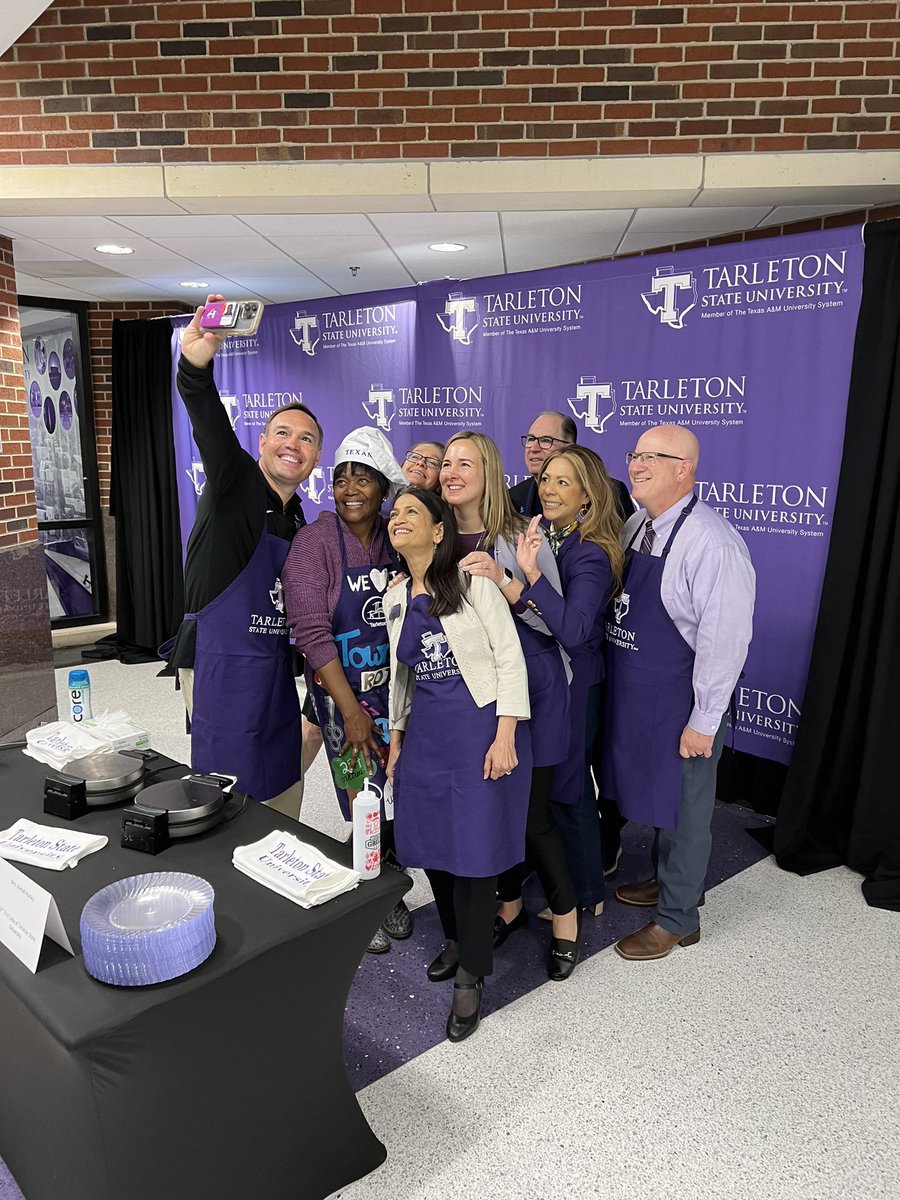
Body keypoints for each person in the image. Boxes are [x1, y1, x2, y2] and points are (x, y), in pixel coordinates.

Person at [163, 293, 321, 817]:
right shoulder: (232, 478)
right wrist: (197, 358)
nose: (292, 444)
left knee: (278, 781)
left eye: (307, 439)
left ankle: (278, 867)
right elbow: (202, 408)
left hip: (273, 667)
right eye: (282, 433)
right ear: (261, 441)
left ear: (316, 456)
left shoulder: (301, 518)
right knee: (224, 791)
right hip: (217, 661)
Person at [603, 425, 755, 961]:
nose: (637, 465)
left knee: (686, 805)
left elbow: (725, 640)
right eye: (635, 455)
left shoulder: (711, 542)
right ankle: (670, 880)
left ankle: (678, 917)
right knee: (657, 793)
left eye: (652, 457)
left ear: (684, 469)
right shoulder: (637, 525)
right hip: (638, 694)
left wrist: (705, 720)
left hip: (683, 700)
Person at [385, 487, 531, 1042]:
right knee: (435, 846)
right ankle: (452, 939)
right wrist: (397, 737)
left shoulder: (474, 586)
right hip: (425, 736)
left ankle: (471, 973)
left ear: (439, 530)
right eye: (394, 514)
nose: (398, 520)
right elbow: (403, 676)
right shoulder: (396, 596)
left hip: (478, 729)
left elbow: (509, 658)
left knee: (473, 852)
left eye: (412, 513)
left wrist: (506, 734)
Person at [440, 430, 581, 981]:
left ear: (490, 472)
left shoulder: (522, 536)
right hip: (472, 695)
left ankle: (565, 917)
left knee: (531, 814)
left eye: (465, 464)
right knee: (488, 806)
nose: (452, 472)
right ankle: (510, 905)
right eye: (447, 463)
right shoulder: (436, 535)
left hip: (535, 687)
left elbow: (559, 622)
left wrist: (506, 583)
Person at [282, 428, 412, 955]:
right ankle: (365, 900)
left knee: (398, 794)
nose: (351, 488)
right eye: (341, 479)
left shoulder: (396, 534)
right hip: (341, 699)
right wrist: (350, 709)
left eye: (363, 478)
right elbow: (312, 633)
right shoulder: (315, 543)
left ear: (384, 489)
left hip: (399, 694)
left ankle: (384, 884)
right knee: (364, 797)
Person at [515, 444, 624, 918]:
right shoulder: (557, 536)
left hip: (579, 685)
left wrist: (529, 578)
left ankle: (586, 895)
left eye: (563, 482)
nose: (549, 489)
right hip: (559, 682)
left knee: (571, 789)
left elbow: (577, 629)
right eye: (546, 480)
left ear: (588, 496)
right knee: (559, 786)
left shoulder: (592, 552)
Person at [510, 410, 633, 523]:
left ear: (570, 447)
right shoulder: (514, 497)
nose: (534, 448)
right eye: (531, 439)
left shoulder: (611, 492)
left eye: (546, 440)